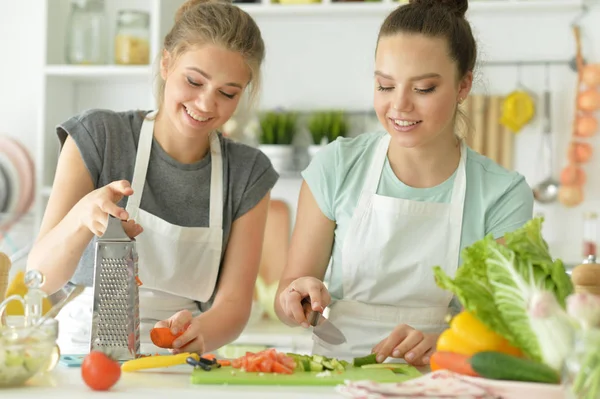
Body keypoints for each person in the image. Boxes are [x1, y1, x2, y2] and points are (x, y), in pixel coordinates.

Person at [275, 0, 534, 366]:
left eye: (424, 89)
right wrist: (296, 297)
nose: (399, 106)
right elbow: (287, 298)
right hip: (337, 376)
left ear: (463, 86)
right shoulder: (337, 165)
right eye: (385, 86)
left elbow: (507, 323)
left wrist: (443, 340)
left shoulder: (502, 194)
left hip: (443, 378)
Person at [27, 0, 278, 355]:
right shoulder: (99, 136)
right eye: (194, 81)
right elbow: (40, 277)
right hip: (83, 356)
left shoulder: (248, 172)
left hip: (182, 361)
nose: (206, 104)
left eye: (228, 92)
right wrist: (82, 217)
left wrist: (199, 331)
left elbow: (234, 307)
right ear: (165, 63)